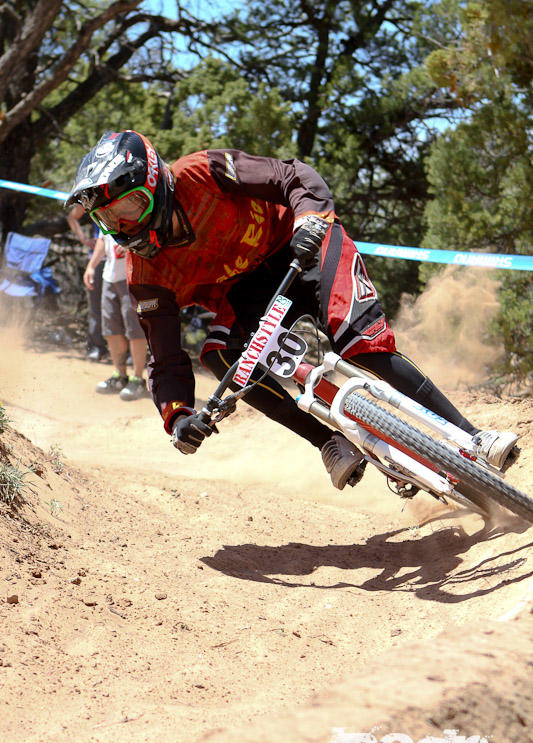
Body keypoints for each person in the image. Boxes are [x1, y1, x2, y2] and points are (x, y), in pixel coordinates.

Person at [65, 130, 519, 489]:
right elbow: (164, 358)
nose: (125, 226)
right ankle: (330, 443)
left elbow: (291, 175)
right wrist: (179, 415)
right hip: (245, 292)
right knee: (219, 356)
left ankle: (475, 438)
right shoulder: (144, 274)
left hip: (301, 245)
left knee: (361, 343)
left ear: (155, 183)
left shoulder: (204, 170)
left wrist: (307, 221)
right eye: (109, 219)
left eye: (130, 206)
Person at [83, 232, 148, 401]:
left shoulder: (132, 208)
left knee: (135, 329)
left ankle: (138, 379)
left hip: (133, 276)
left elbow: (151, 237)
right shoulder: (102, 212)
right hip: (109, 276)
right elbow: (103, 239)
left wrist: (133, 245)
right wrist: (91, 265)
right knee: (111, 329)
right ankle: (120, 376)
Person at [67, 204, 107, 361]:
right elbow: (72, 217)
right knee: (95, 307)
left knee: (126, 307)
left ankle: (129, 351)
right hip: (97, 261)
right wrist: (84, 240)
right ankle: (96, 347)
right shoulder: (92, 193)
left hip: (122, 259)